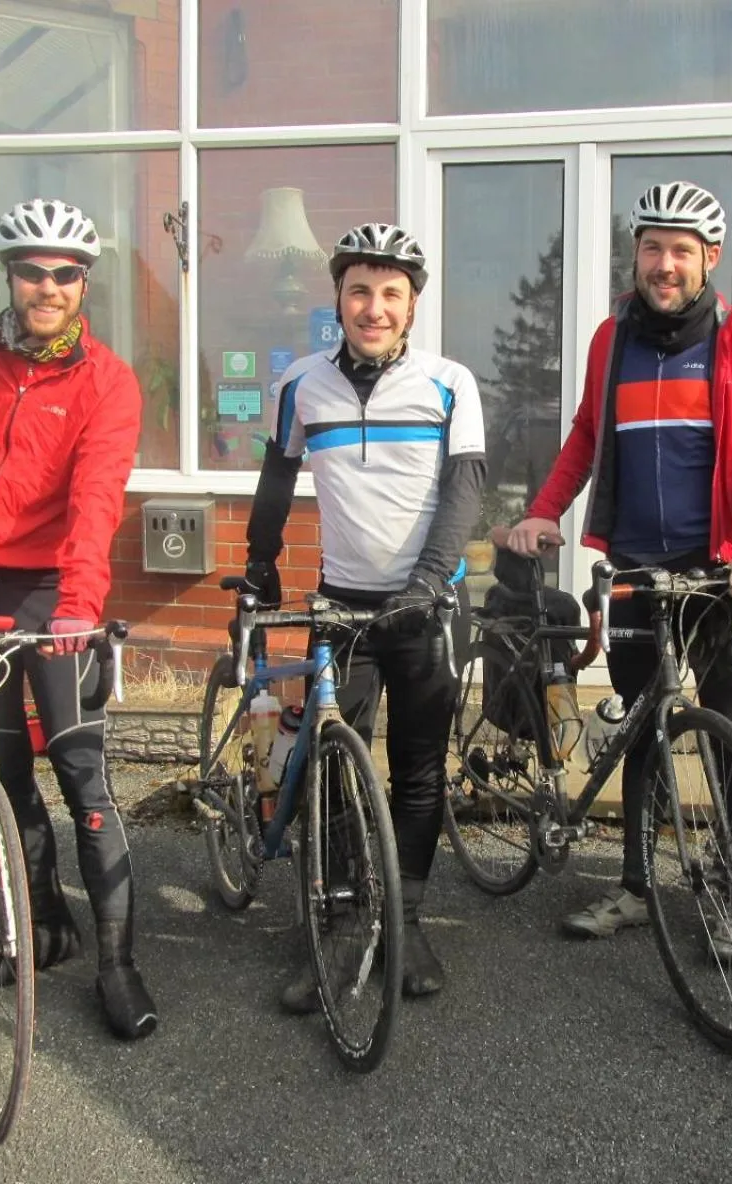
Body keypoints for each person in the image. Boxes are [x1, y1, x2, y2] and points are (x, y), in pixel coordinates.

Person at [506, 181, 732, 948]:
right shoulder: (613, 339)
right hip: (634, 564)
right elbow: (584, 437)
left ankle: (730, 893)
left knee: (730, 730)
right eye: (651, 248)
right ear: (635, 253)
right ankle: (635, 886)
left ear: (711, 259)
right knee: (641, 724)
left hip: (719, 569)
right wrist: (544, 509)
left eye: (680, 251)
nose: (664, 265)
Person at [0, 197, 158, 1039]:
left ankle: (117, 964)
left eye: (65, 274)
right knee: (1, 769)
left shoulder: (105, 379)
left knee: (82, 772)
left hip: (55, 589)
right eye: (31, 270)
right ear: (10, 275)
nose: (47, 286)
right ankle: (43, 926)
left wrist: (81, 606)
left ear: (83, 283)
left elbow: (97, 501)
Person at [244, 222, 486, 1013]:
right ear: (338, 299)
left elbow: (466, 492)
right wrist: (259, 563)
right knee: (331, 771)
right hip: (340, 605)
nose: (373, 307)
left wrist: (425, 580)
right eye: (359, 292)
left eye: (390, 294)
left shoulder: (449, 382)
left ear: (413, 304)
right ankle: (347, 918)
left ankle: (406, 919)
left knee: (419, 773)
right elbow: (278, 478)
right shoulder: (301, 384)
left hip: (426, 605)